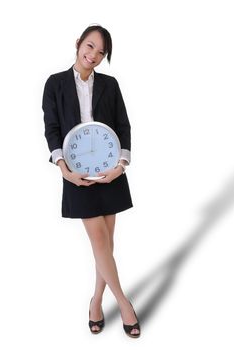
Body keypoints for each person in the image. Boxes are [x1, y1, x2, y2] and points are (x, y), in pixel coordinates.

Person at [42, 24, 140, 338]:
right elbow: (52, 128)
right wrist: (62, 168)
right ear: (78, 43)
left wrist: (122, 164)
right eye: (89, 46)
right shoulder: (55, 83)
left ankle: (96, 301)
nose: (93, 55)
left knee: (106, 245)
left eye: (100, 52)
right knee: (100, 242)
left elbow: (124, 125)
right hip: (77, 172)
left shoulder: (110, 85)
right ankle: (124, 304)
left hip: (110, 170)